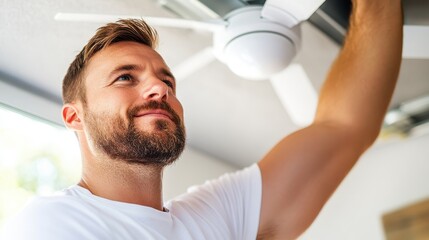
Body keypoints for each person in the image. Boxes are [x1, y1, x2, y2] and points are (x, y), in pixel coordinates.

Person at [1, 0, 403, 239]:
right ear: (75, 117)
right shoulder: (52, 224)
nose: (160, 89)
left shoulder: (213, 217)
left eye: (167, 80)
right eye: (126, 77)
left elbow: (344, 126)